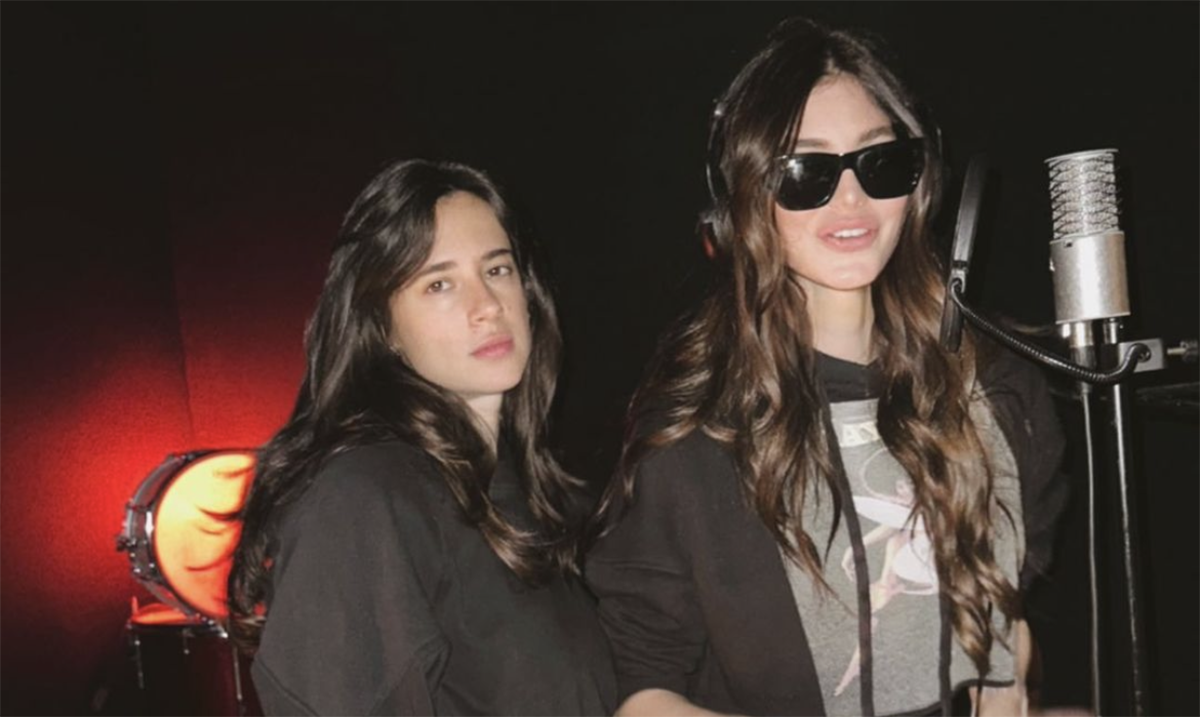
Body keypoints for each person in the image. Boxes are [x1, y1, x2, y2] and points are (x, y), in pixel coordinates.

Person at [586, 17, 1067, 717]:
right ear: (742, 203)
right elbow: (644, 688)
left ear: (922, 181)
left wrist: (1010, 668)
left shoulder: (1000, 389)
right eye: (805, 173)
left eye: (881, 163)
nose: (851, 200)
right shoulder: (694, 434)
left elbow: (1013, 612)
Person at [227, 159, 616, 716]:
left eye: (497, 269)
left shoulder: (545, 497)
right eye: (439, 284)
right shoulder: (361, 499)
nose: (487, 307)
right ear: (383, 325)